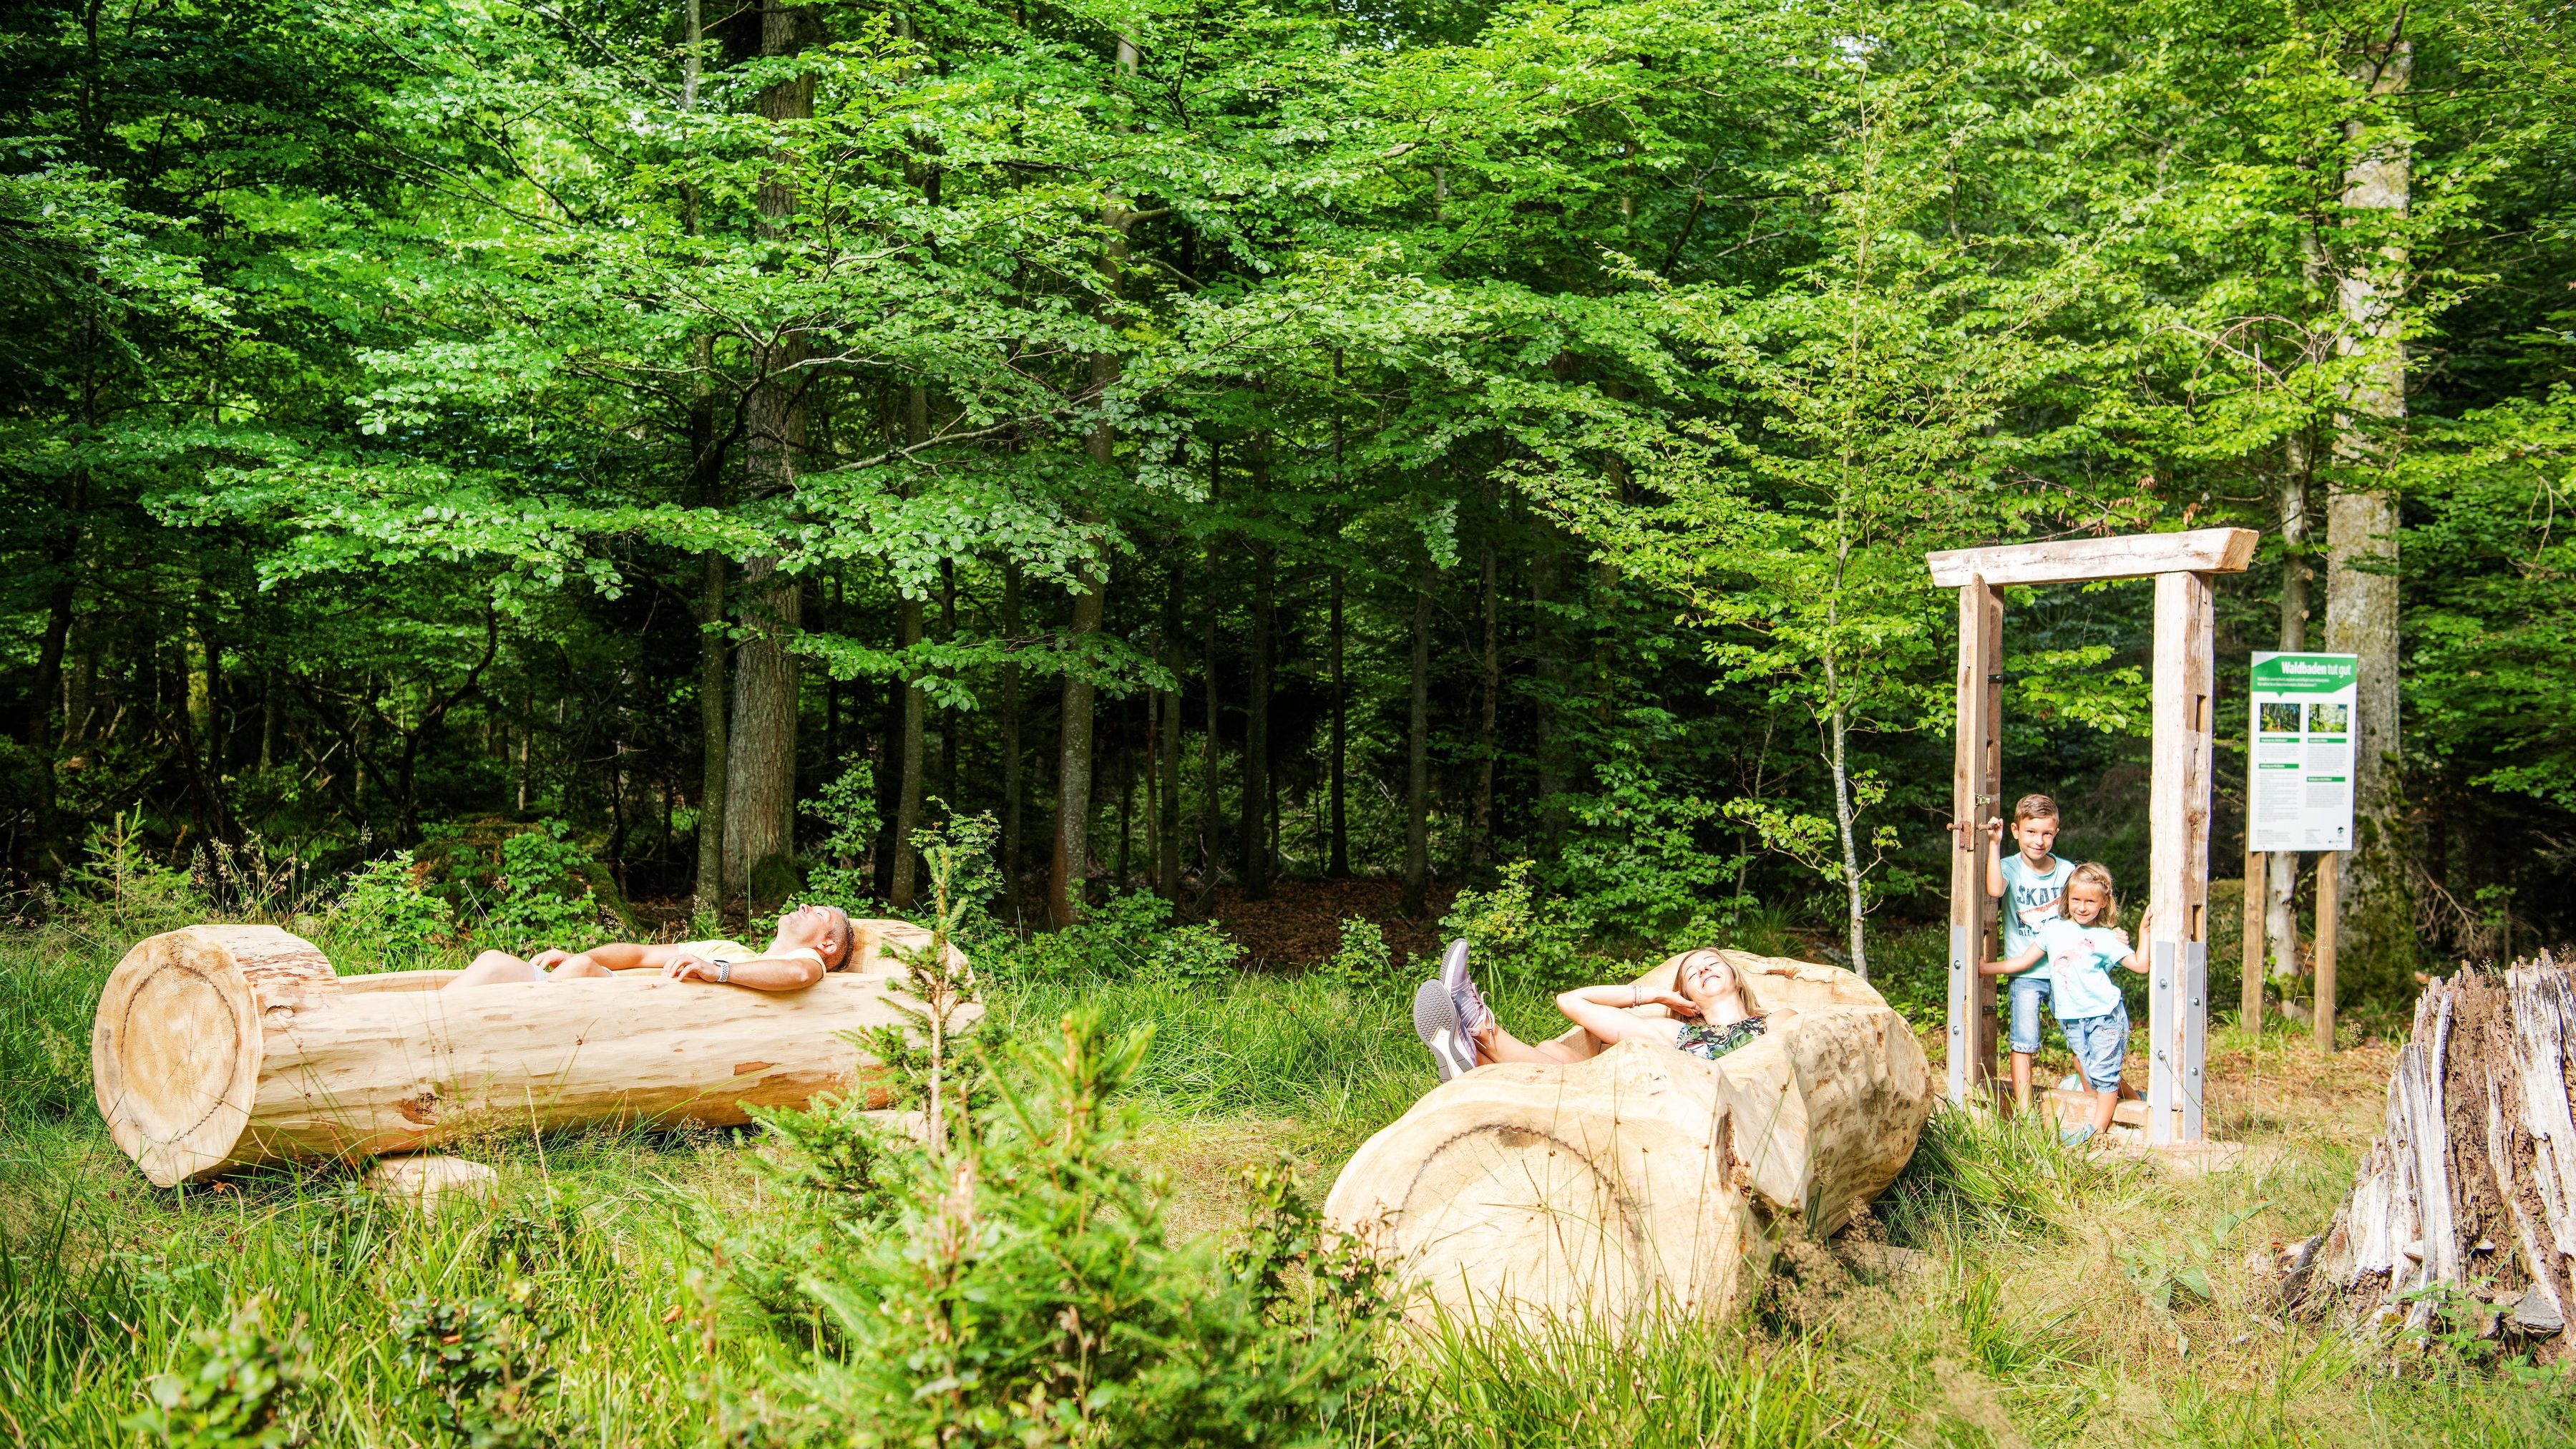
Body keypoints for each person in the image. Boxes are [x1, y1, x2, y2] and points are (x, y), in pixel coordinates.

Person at [1410, 942, 1770, 1082]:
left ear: (1736, 976)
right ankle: (1475, 1042)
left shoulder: (1775, 1023)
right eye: (1692, 973)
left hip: (1708, 1106)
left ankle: (1474, 1045)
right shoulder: (1678, 1034)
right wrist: (1658, 995)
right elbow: (1571, 1002)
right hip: (1647, 1101)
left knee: (1553, 1052)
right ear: (1687, 997)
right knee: (1553, 1051)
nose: (1703, 969)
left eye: (1712, 963)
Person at [1984, 862, 2152, 1146]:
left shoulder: (2105, 937)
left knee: (2104, 1075)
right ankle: (2138, 1101)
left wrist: (2144, 932)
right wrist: (1985, 969)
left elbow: (2140, 965)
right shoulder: (2054, 930)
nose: (2082, 907)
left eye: (2090, 902)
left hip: (2104, 1017)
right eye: (2076, 900)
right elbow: (2024, 962)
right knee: (2090, 1071)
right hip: (2073, 1020)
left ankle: (2096, 1132)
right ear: (2067, 899)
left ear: (2103, 903)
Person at [444, 902, 857, 992]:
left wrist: (717, 972)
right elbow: (640, 954)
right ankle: (420, 1024)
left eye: (818, 913)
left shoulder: (807, 961)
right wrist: (580, 958)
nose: (805, 907)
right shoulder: (730, 947)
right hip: (596, 987)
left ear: (826, 944)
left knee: (580, 972)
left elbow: (797, 975)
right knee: (494, 962)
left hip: (625, 1015)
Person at [1986, 794, 2075, 1115]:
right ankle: (2024, 1114)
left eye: (2047, 833)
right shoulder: (2009, 867)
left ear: (2056, 833)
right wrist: (1994, 844)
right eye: (2031, 832)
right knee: (2023, 1042)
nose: (2039, 841)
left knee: (2082, 1038)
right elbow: (1995, 890)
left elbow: (2083, 913)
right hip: (2025, 975)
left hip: (2064, 972)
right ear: (2016, 831)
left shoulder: (2067, 871)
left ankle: (2102, 1098)